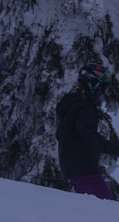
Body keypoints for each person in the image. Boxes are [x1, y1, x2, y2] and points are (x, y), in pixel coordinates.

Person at [56, 62, 119, 200]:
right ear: (94, 86)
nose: (103, 95)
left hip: (71, 170)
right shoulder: (85, 109)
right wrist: (115, 149)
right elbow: (90, 137)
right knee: (107, 211)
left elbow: (59, 135)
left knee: (91, 212)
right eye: (104, 89)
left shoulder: (71, 105)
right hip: (86, 172)